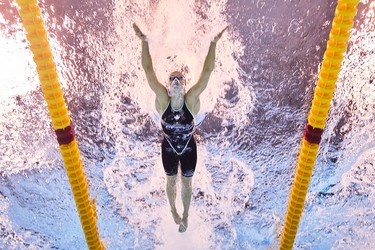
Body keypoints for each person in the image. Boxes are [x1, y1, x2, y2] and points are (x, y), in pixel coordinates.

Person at [133, 23, 227, 233]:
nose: (176, 80)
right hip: (167, 148)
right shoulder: (162, 99)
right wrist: (144, 41)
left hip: (188, 148)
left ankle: (185, 215)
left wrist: (213, 42)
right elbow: (148, 70)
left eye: (180, 78)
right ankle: (173, 210)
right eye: (172, 78)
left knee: (186, 184)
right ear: (168, 85)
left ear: (184, 84)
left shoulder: (191, 100)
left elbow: (207, 72)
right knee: (170, 181)